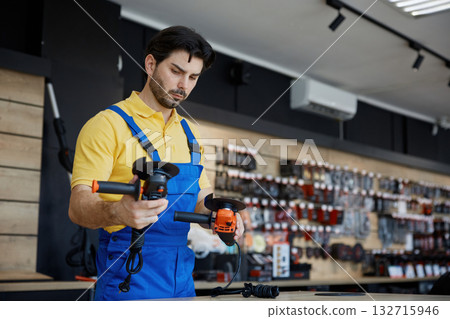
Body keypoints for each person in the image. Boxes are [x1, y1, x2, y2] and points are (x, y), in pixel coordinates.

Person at [68, 25, 245, 300]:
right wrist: (118, 212)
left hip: (181, 277)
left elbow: (200, 196)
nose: (183, 85)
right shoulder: (107, 125)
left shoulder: (190, 133)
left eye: (193, 77)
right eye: (176, 71)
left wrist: (223, 215)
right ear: (151, 64)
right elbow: (78, 207)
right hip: (126, 273)